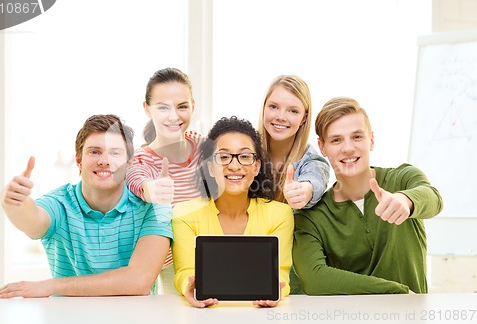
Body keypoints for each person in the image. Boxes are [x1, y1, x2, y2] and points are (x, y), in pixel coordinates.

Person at [0, 114, 172, 298]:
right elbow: (33, 221)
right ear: (79, 161)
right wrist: (15, 204)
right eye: (94, 151)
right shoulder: (60, 203)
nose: (104, 161)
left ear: (129, 163)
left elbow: (139, 281)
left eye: (115, 153)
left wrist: (52, 286)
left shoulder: (154, 206)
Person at [292, 97, 444, 295]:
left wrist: (405, 200)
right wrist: (397, 291)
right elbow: (314, 279)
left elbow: (433, 199)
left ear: (371, 140)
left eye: (356, 137)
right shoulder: (311, 216)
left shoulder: (403, 179)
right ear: (322, 148)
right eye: (336, 140)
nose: (347, 148)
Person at [172, 116, 294, 308]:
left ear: (257, 166)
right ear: (210, 167)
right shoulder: (184, 214)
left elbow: (280, 274)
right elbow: (186, 271)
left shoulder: (279, 214)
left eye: (245, 156)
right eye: (223, 157)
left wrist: (277, 289)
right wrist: (191, 286)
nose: (234, 165)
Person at [126, 67, 203, 294]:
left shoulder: (202, 144)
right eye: (162, 108)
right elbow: (137, 182)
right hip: (173, 268)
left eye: (182, 107)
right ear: (147, 109)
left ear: (192, 107)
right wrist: (151, 190)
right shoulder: (140, 160)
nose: (173, 116)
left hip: (213, 254)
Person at [258, 75, 330, 209]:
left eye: (293, 111)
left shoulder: (311, 161)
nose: (280, 117)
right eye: (273, 107)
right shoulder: (244, 151)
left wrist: (304, 191)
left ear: (304, 118)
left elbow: (315, 178)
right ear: (264, 108)